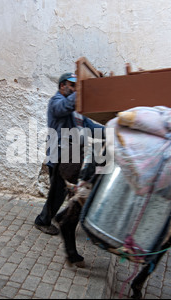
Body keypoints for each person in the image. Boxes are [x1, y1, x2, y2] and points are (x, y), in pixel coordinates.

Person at [34, 73, 105, 235]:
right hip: (60, 155)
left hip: (73, 156)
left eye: (76, 86)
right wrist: (82, 90)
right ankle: (43, 221)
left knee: (66, 190)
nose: (74, 89)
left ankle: (59, 217)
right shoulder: (56, 102)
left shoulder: (77, 111)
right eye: (72, 85)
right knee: (58, 191)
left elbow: (92, 127)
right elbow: (63, 107)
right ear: (61, 86)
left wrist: (113, 131)